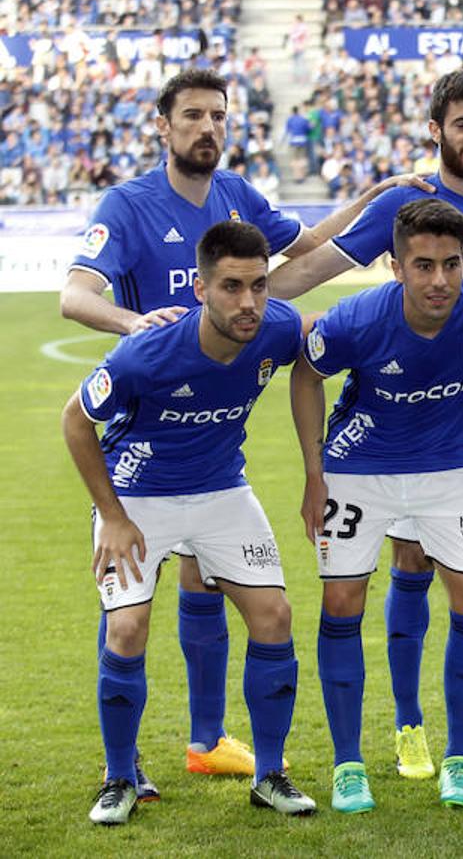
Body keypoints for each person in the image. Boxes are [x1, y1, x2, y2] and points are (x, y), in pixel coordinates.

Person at [58, 68, 430, 797]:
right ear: (162, 127)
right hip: (144, 426)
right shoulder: (128, 204)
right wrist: (136, 325)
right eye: (192, 116)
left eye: (218, 116)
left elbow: (304, 250)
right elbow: (75, 294)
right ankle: (129, 763)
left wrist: (379, 198)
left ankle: (208, 741)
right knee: (141, 611)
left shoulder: (238, 198)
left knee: (218, 584)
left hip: (217, 452)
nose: (208, 128)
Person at [268, 69, 463, 780]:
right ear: (437, 129)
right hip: (410, 431)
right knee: (411, 564)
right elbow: (316, 271)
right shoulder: (408, 202)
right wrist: (244, 301)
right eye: (462, 124)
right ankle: (408, 723)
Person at [64, 221, 316, 825]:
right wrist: (115, 517)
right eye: (231, 287)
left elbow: (317, 351)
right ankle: (120, 777)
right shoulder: (147, 352)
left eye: (258, 285)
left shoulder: (277, 327)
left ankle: (271, 774)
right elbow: (76, 420)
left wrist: (317, 470)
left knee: (275, 616)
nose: (248, 301)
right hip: (137, 495)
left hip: (220, 488)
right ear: (200, 289)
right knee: (126, 628)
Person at [291, 199, 463, 812]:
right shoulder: (356, 319)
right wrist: (315, 473)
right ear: (395, 267)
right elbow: (305, 374)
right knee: (342, 602)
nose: (439, 280)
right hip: (357, 472)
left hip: (447, 470)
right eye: (423, 266)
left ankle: (460, 760)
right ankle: (348, 767)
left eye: (452, 264)